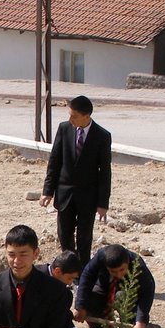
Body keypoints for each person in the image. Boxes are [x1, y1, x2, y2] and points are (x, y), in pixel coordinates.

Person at [38, 95, 111, 266]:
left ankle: (83, 274)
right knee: (64, 235)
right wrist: (47, 191)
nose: (70, 119)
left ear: (86, 116)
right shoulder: (64, 129)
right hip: (65, 195)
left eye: (74, 116)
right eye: (69, 115)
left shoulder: (102, 136)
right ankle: (68, 270)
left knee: (84, 238)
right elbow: (55, 161)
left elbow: (105, 172)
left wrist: (103, 203)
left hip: (88, 196)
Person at [74, 244, 156, 328]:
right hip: (104, 286)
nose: (118, 274)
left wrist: (141, 320)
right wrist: (80, 306)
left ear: (128, 262)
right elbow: (87, 277)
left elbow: (147, 293)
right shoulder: (101, 256)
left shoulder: (138, 265)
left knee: (123, 298)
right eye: (113, 271)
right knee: (90, 301)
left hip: (127, 291)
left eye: (122, 270)